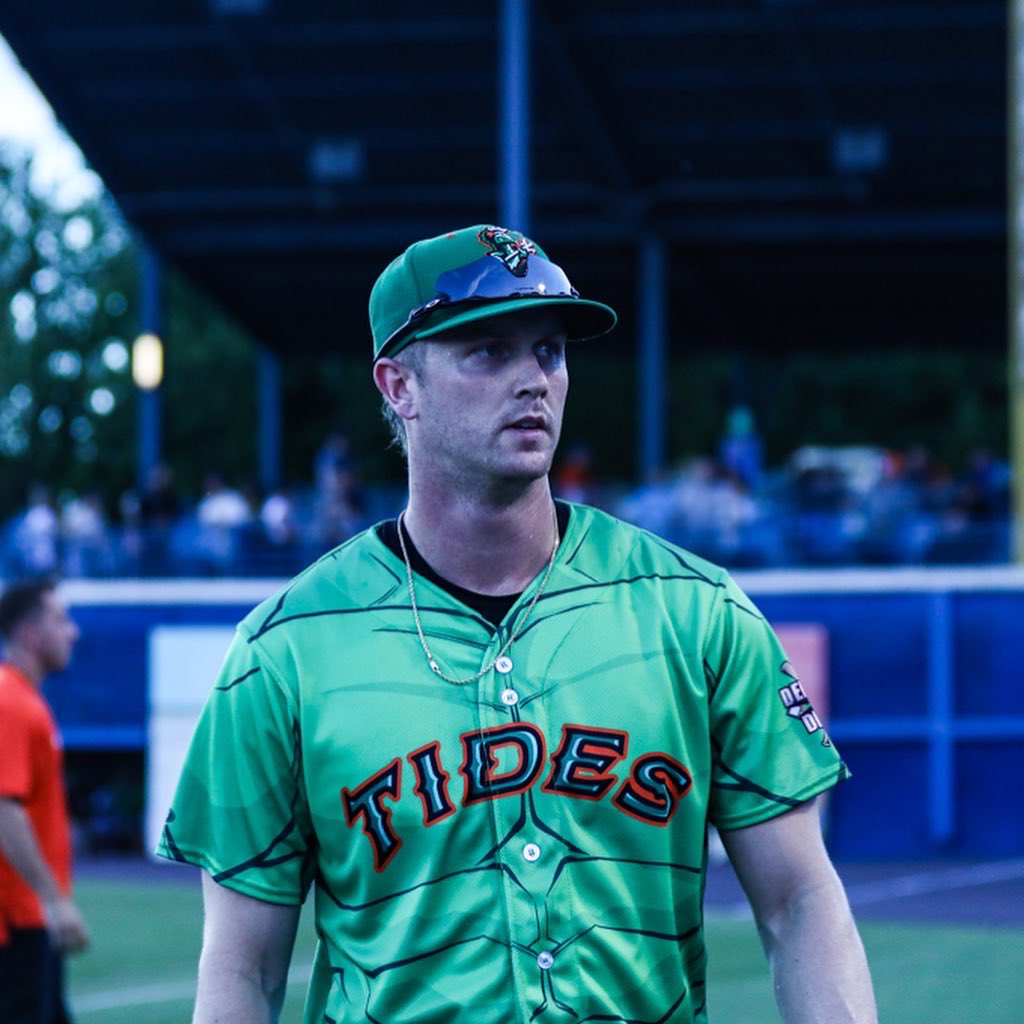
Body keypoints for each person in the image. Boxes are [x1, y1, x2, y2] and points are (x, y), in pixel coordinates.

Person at [159, 224, 877, 1024]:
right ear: (399, 386)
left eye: (549, 351)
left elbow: (800, 900)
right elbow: (240, 966)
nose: (534, 379)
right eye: (488, 352)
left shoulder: (693, 609)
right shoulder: (285, 650)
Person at [0, 578, 89, 1023]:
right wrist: (53, 900)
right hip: (16, 921)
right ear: (29, 633)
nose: (72, 631)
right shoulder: (11, 700)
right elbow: (4, 810)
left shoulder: (23, 699)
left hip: (28, 919)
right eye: (61, 619)